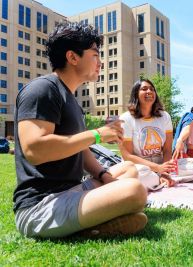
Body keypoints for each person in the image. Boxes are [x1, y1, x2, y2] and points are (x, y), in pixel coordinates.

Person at [13, 22, 147, 238]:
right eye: (95, 55)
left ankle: (94, 222)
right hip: (41, 206)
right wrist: (97, 134)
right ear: (73, 57)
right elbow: (34, 150)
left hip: (71, 191)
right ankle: (91, 226)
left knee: (128, 169)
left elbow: (81, 151)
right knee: (135, 191)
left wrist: (103, 175)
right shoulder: (43, 90)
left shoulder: (71, 100)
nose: (100, 63)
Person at [119, 79, 175, 187]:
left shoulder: (165, 116)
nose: (149, 91)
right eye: (144, 89)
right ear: (136, 94)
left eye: (152, 89)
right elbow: (127, 156)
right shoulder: (126, 119)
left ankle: (157, 179)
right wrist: (157, 169)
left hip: (161, 166)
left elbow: (168, 149)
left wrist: (165, 171)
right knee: (140, 175)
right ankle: (155, 179)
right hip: (139, 167)